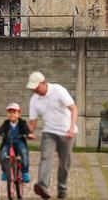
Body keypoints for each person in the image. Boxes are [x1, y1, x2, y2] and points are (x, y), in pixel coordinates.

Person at [26, 71, 78, 200]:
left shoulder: (58, 90)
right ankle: (43, 186)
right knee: (45, 158)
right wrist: (28, 133)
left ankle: (62, 188)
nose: (35, 91)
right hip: (49, 132)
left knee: (64, 163)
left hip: (67, 133)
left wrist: (71, 128)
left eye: (37, 88)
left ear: (44, 83)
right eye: (33, 89)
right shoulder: (34, 99)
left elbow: (73, 109)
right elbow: (32, 122)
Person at [0, 103, 35, 183]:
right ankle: (5, 171)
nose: (12, 114)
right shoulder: (6, 123)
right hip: (7, 143)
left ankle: (25, 172)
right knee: (3, 156)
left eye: (14, 112)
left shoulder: (22, 123)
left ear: (19, 114)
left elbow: (26, 130)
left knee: (24, 153)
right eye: (9, 112)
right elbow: (0, 130)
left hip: (19, 142)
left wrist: (29, 134)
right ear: (7, 114)